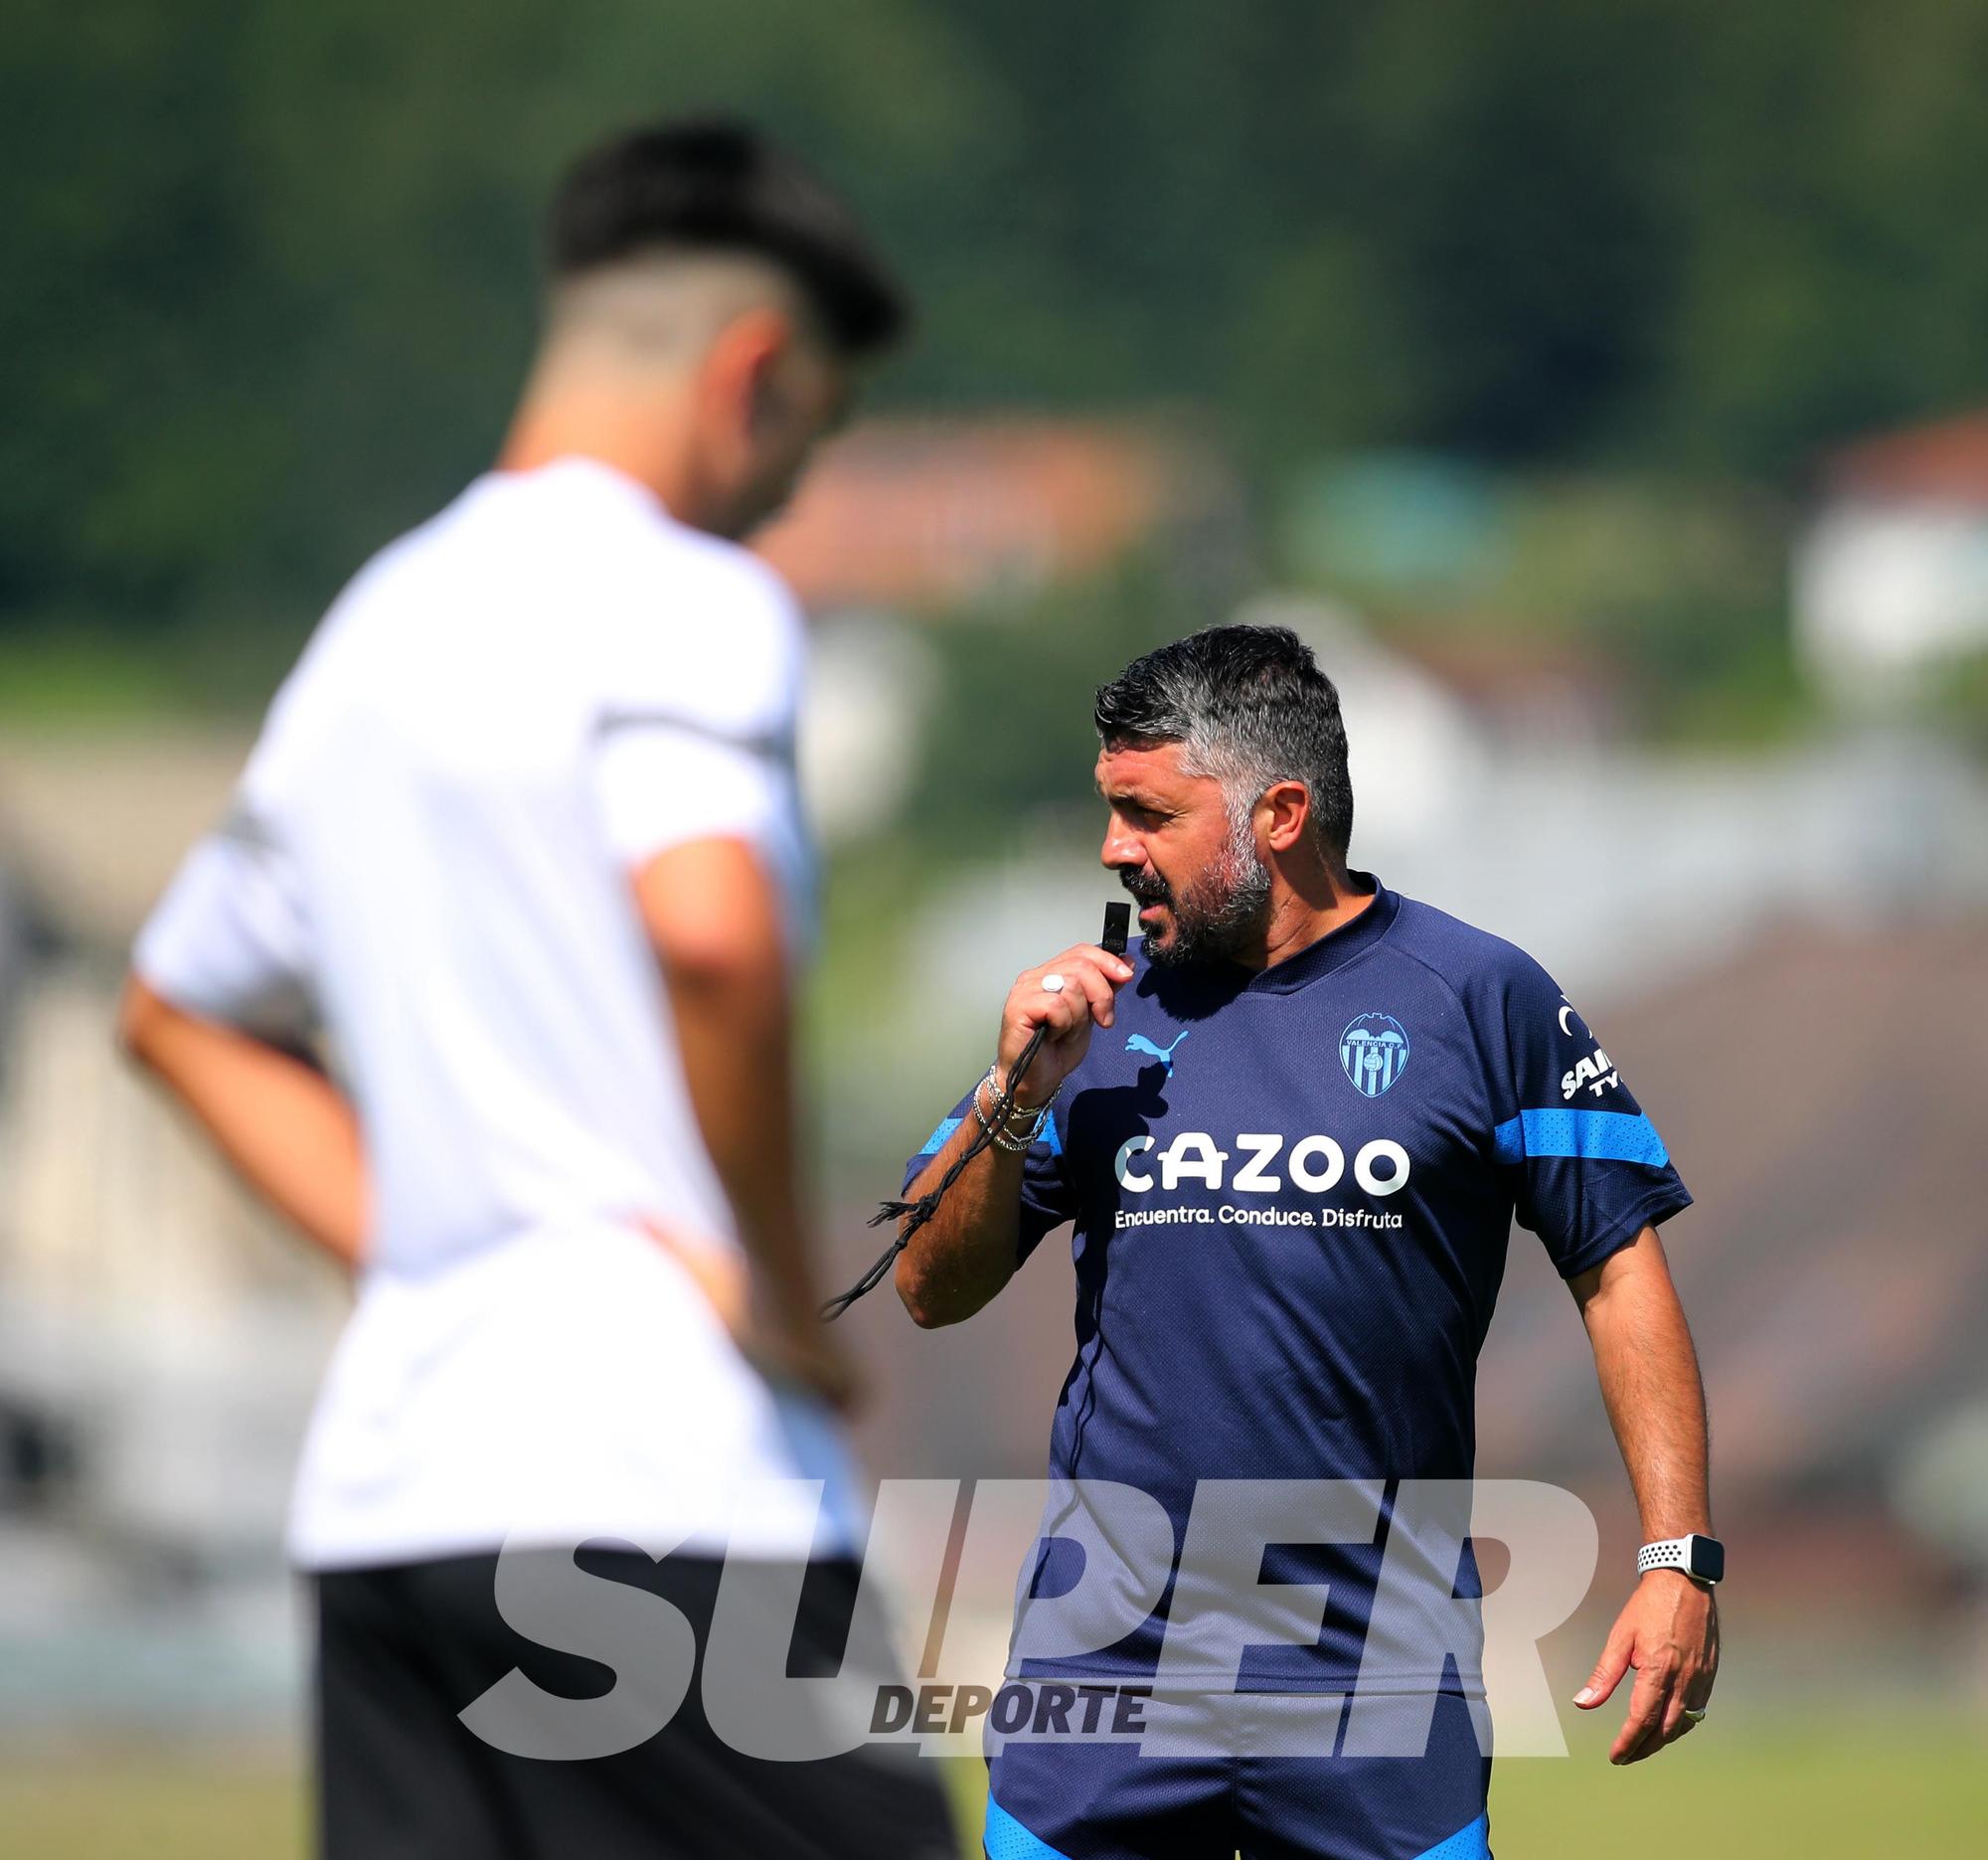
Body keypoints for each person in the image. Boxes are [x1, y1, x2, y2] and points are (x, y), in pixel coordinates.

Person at [120, 118, 956, 1859]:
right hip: (664, 1493)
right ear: (752, 374)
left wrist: (438, 1240)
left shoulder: (369, 638)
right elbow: (711, 931)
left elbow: (176, 1013)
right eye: (813, 432)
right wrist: (796, 1308)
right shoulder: (686, 599)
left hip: (395, 1507)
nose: (797, 493)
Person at [897, 624, 1720, 1860]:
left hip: (1374, 1666)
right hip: (1106, 1665)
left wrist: (1676, 1555)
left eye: (1146, 812)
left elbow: (1615, 1268)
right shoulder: (1094, 1018)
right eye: (1109, 811)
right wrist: (1016, 1092)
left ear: (1277, 812)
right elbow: (925, 1286)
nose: (1116, 850)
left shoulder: (1477, 997)